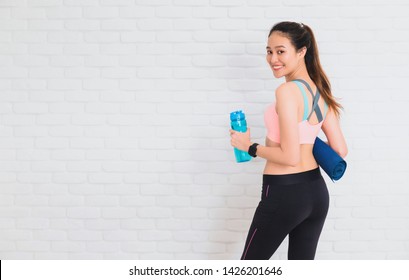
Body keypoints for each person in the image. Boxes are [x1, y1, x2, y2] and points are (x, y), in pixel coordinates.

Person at [229, 21, 348, 260]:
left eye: (281, 51)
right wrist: (306, 138)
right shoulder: (320, 90)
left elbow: (290, 157)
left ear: (302, 51)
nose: (273, 58)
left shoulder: (286, 92)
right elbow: (340, 150)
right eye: (269, 51)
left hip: (284, 193)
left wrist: (249, 147)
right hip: (316, 193)